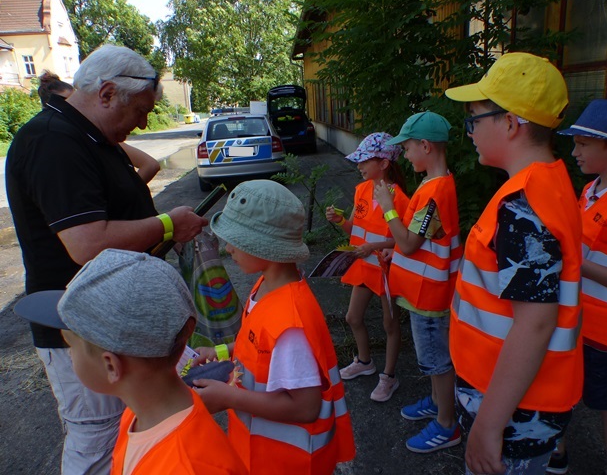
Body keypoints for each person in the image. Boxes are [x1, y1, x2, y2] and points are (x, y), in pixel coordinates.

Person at [5, 44, 207, 474]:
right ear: (108, 93)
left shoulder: (89, 134)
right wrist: (168, 225)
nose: (144, 122)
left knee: (121, 427)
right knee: (95, 436)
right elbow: (86, 243)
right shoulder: (53, 141)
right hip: (84, 327)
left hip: (111, 321)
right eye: (141, 110)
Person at [444, 52, 583, 474]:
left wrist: (488, 425)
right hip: (521, 400)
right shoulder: (551, 181)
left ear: (510, 123)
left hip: (514, 411)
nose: (469, 133)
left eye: (474, 120)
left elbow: (535, 323)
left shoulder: (523, 206)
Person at [13, 249, 247, 475]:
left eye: (71, 346)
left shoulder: (188, 465)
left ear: (111, 366)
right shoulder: (141, 415)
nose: (70, 355)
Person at [191, 179, 356, 474]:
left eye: (236, 240)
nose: (229, 249)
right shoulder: (266, 285)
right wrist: (219, 351)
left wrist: (228, 397)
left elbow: (306, 407)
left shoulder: (290, 323)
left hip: (288, 463)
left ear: (265, 247)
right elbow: (258, 347)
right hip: (262, 454)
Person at [548, 99, 607, 475]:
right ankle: (557, 453)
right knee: (559, 389)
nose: (574, 152)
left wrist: (573, 262)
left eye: (584, 144)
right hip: (576, 318)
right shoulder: (591, 190)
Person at [373, 112, 462, 453]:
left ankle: (445, 422)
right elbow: (426, 239)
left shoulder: (435, 191)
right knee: (434, 359)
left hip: (429, 296)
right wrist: (397, 255)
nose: (406, 156)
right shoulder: (434, 185)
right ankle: (438, 401)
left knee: (437, 360)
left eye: (408, 148)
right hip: (423, 291)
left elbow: (410, 241)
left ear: (425, 146)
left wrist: (387, 208)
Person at [325, 132, 410, 402]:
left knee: (390, 324)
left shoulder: (400, 198)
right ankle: (364, 361)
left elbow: (405, 240)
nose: (359, 166)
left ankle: (389, 376)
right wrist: (339, 220)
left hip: (385, 269)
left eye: (364, 161)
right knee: (352, 317)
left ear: (384, 163)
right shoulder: (361, 190)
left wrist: (372, 248)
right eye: (358, 161)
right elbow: (354, 227)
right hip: (363, 264)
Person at [37, 70, 161, 184]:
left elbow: (150, 164)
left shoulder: (100, 137)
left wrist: (128, 196)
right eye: (67, 102)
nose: (74, 106)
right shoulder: (52, 138)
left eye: (74, 98)